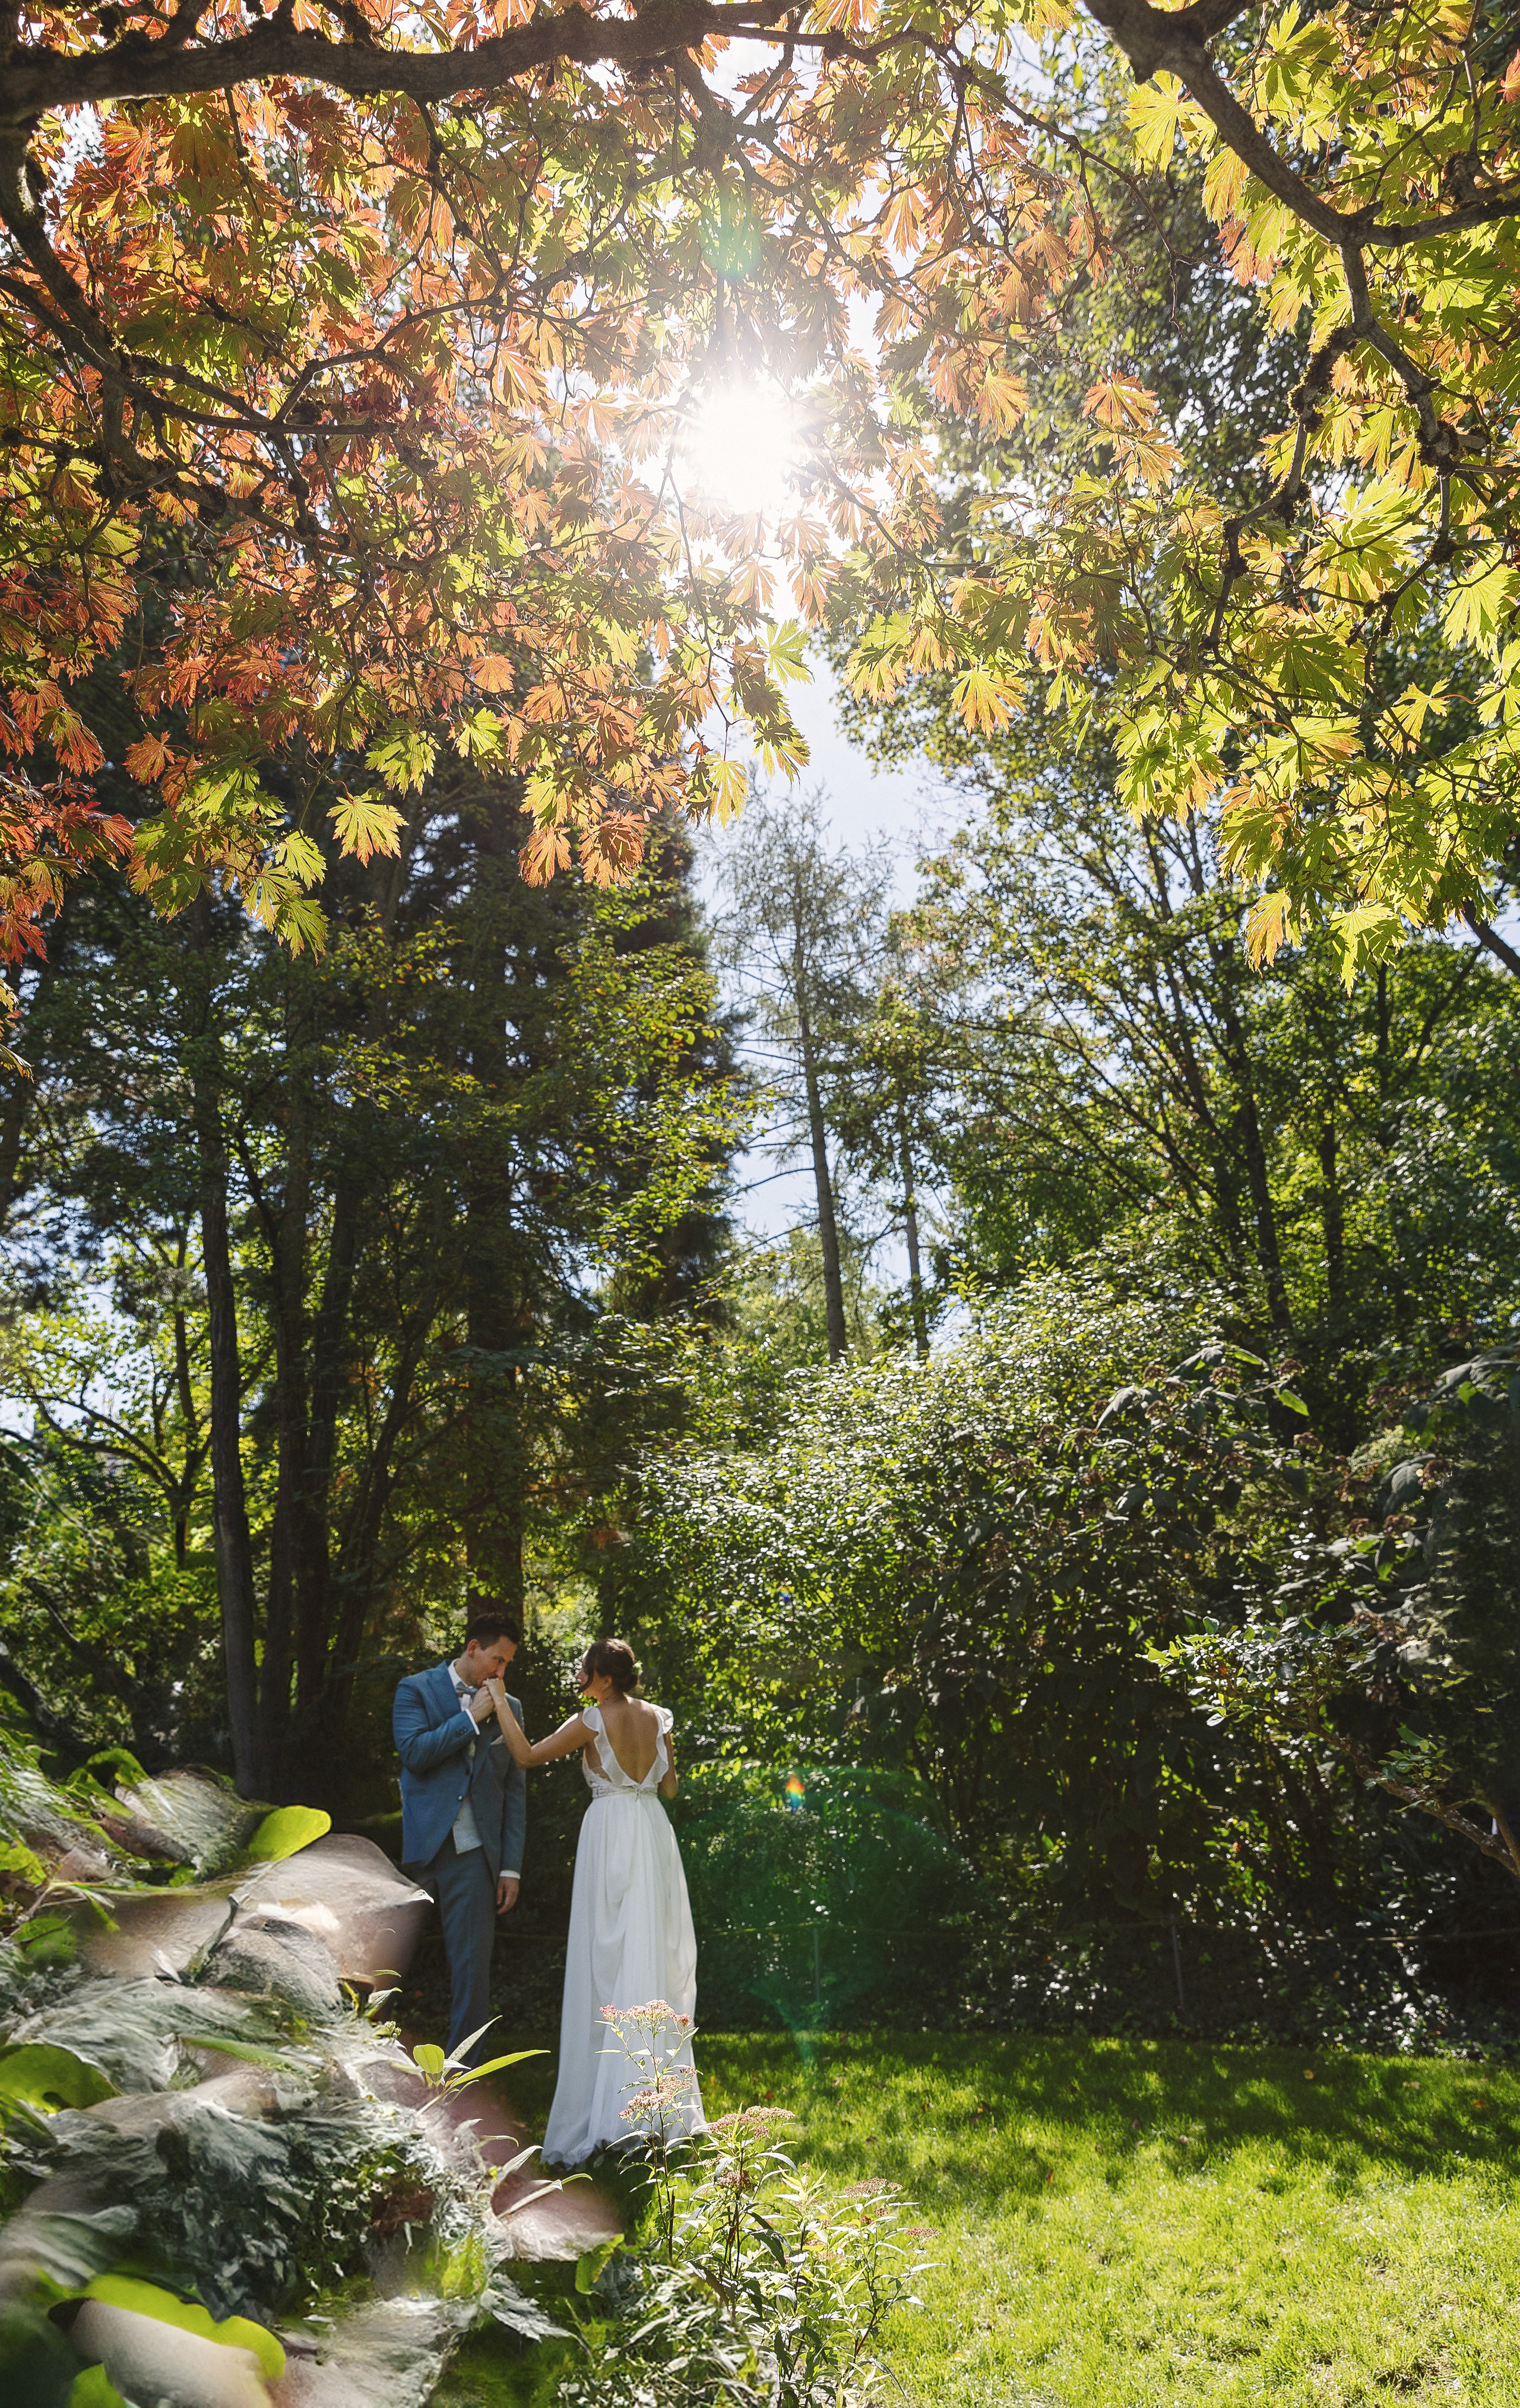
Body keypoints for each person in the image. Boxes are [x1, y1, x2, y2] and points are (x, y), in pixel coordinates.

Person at [488, 1636, 704, 2165]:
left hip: (609, 1833)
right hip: (652, 1831)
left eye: (585, 1669)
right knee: (648, 1955)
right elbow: (670, 1788)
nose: (580, 1676)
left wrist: (497, 1697)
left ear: (604, 1679)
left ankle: (614, 2115)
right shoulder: (659, 1717)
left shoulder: (592, 1718)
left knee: (607, 1960)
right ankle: (657, 2107)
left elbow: (526, 1755)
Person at [392, 1601, 527, 2067]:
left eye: (507, 1663)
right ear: (474, 1649)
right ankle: (378, 2065)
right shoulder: (415, 1690)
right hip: (421, 1852)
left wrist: (510, 1865)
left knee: (472, 1971)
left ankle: (461, 2078)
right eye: (498, 1660)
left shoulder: (511, 1708)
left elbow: (514, 1789)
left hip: (474, 1856)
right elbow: (414, 1752)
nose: (502, 1671)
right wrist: (471, 1718)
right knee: (389, 1964)